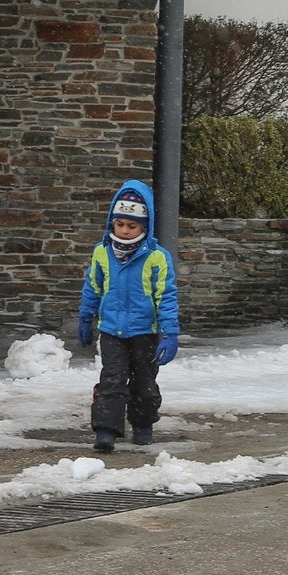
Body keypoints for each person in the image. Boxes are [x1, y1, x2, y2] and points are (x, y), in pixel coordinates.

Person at [77, 179, 180, 453]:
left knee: (144, 381)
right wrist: (86, 317)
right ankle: (106, 430)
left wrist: (170, 333)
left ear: (144, 227)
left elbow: (165, 296)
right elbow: (93, 287)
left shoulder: (156, 257)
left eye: (131, 226)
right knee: (112, 379)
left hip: (145, 330)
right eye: (119, 224)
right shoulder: (102, 253)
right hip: (112, 329)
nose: (124, 231)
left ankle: (143, 423)